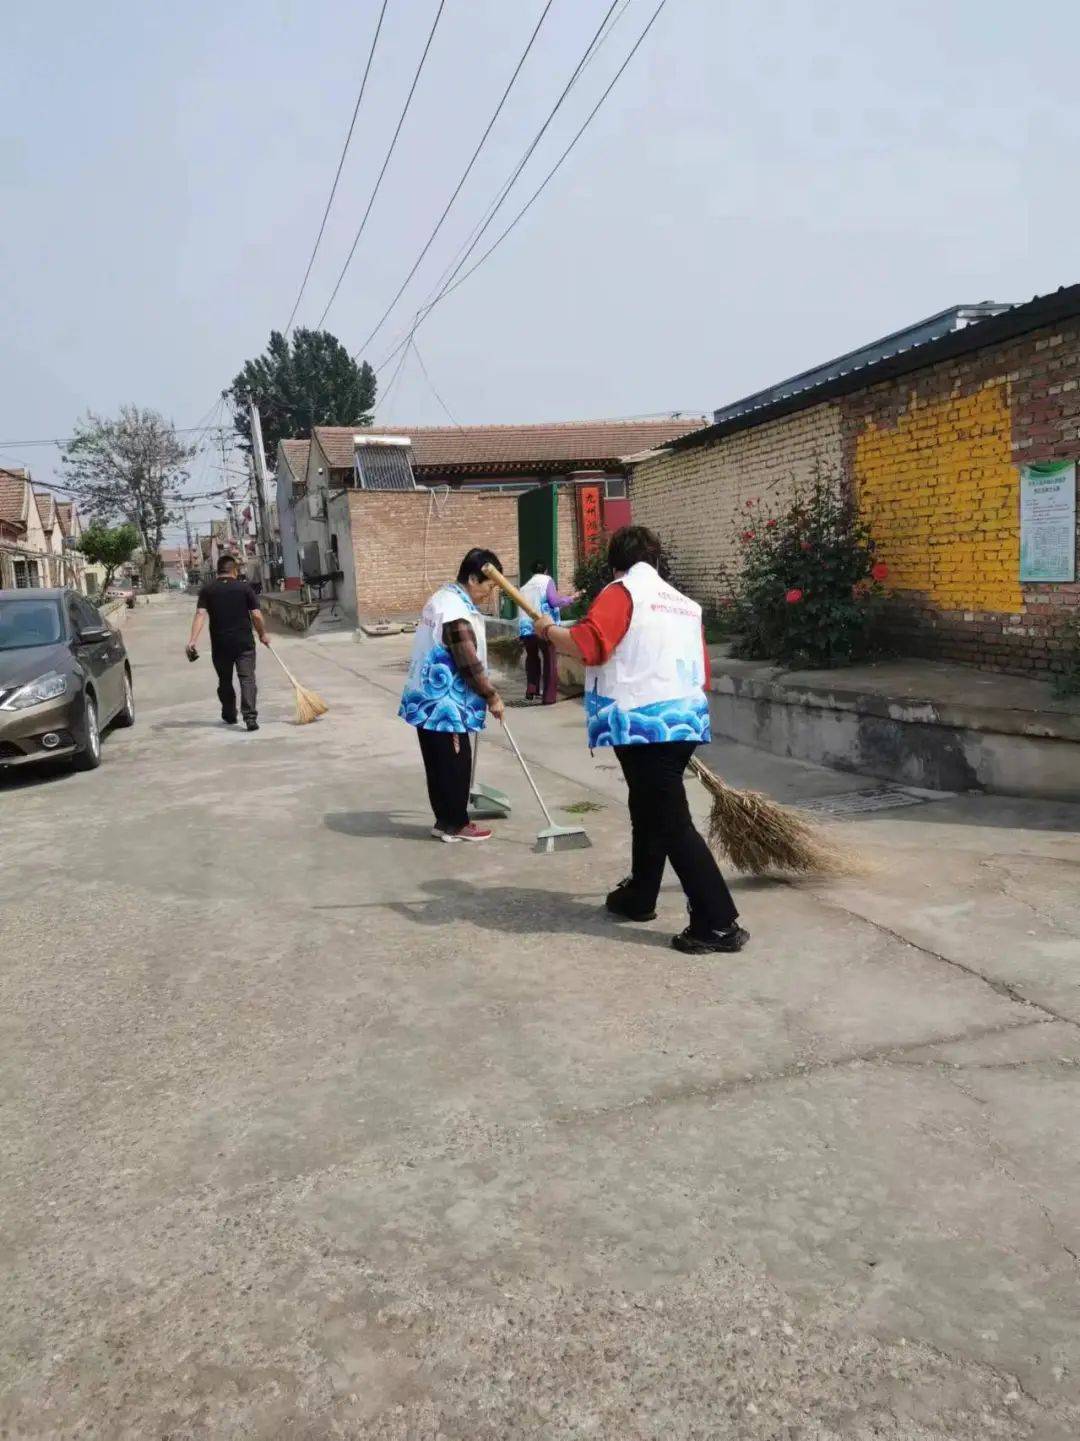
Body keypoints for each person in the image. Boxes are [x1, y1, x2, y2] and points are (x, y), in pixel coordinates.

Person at [533, 525, 748, 955]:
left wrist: (548, 631)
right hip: (683, 717)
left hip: (642, 724)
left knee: (671, 820)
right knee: (647, 807)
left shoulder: (622, 591)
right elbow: (701, 669)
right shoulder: (684, 604)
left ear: (617, 563)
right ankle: (641, 895)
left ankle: (718, 922)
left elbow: (590, 644)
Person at [399, 548, 506, 842]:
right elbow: (467, 662)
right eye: (488, 586)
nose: (489, 594)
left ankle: (443, 821)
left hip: (424, 701)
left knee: (437, 763)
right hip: (444, 703)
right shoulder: (455, 612)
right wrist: (491, 695)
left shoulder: (442, 599)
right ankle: (458, 823)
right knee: (455, 764)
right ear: (473, 579)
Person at [186, 555, 270, 731]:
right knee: (247, 679)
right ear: (235, 570)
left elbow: (200, 615)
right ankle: (250, 718)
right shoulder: (245, 588)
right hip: (244, 643)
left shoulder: (208, 590)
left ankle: (230, 713)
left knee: (224, 680)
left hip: (220, 644)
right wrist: (263, 634)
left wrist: (192, 640)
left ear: (218, 571)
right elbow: (256, 615)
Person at [518, 560, 578, 705]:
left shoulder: (524, 587)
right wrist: (571, 598)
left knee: (532, 658)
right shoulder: (547, 580)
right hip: (544, 626)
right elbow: (554, 601)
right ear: (546, 571)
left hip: (527, 628)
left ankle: (531, 690)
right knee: (550, 660)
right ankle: (549, 697)